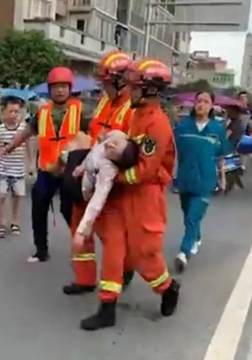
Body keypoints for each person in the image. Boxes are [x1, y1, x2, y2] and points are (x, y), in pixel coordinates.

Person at [80, 58, 180, 331]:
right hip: (123, 193)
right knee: (114, 249)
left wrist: (113, 178)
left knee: (143, 254)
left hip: (144, 197)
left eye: (135, 88)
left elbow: (144, 171)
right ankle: (107, 307)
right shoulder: (136, 115)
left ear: (150, 90)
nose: (129, 92)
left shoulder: (157, 124)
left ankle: (168, 288)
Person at [63, 50, 136, 296]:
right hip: (90, 169)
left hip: (110, 177)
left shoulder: (133, 108)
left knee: (110, 232)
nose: (103, 86)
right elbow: (95, 132)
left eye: (106, 81)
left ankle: (125, 268)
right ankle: (85, 278)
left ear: (120, 81)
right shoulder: (106, 100)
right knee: (78, 222)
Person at [2, 67, 89, 263]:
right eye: (56, 87)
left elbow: (93, 133)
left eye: (64, 87)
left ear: (69, 89)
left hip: (71, 170)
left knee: (70, 210)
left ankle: (82, 246)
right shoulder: (43, 111)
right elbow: (27, 131)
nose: (60, 91)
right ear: (49, 90)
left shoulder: (81, 110)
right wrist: (9, 147)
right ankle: (41, 250)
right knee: (38, 207)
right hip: (47, 169)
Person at [174, 91, 229, 272]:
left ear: (211, 106)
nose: (201, 104)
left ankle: (183, 253)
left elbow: (221, 157)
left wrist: (222, 178)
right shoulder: (183, 128)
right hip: (184, 179)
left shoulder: (217, 129)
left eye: (206, 101)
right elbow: (171, 152)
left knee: (192, 217)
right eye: (199, 101)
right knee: (188, 215)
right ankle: (196, 238)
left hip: (205, 181)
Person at [0, 97, 27, 238]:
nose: (14, 115)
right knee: (1, 196)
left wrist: (30, 163)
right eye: (11, 111)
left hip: (18, 169)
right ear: (3, 112)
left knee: (17, 197)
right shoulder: (0, 129)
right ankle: (1, 223)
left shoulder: (23, 128)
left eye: (16, 112)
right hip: (4, 169)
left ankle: (15, 223)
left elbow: (29, 144)